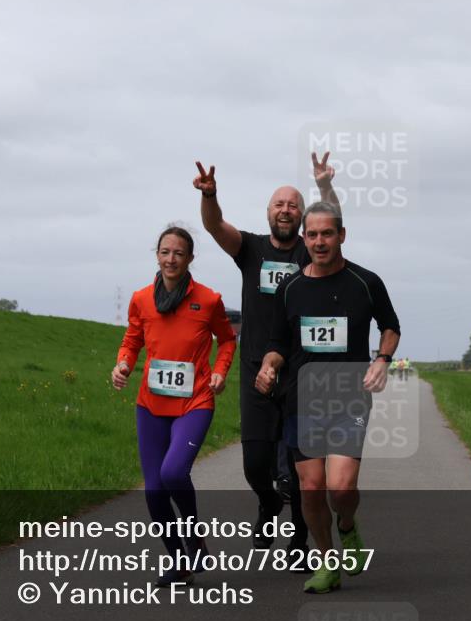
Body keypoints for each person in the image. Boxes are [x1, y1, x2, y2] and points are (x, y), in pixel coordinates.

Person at [194, 153, 338, 567]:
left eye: (294, 204)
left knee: (299, 463)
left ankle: (298, 542)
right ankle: (267, 502)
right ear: (269, 212)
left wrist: (325, 187)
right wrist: (211, 196)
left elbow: (332, 224)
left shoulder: (311, 253)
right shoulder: (251, 249)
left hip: (299, 372)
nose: (287, 210)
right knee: (256, 464)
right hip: (255, 369)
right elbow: (213, 226)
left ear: (302, 214)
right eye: (280, 204)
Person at [256, 201, 400, 594]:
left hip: (349, 397)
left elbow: (390, 326)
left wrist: (382, 359)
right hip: (302, 400)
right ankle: (326, 562)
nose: (320, 242)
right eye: (313, 235)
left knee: (340, 488)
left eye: (327, 234)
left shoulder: (365, 282)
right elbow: (277, 344)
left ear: (341, 236)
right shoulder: (290, 289)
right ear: (305, 239)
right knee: (312, 487)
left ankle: (348, 526)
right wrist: (269, 366)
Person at [111, 226, 237, 587]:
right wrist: (122, 364)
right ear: (157, 255)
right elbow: (132, 340)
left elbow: (227, 340)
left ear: (190, 258)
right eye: (165, 252)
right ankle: (179, 560)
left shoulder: (208, 300)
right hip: (150, 406)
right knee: (153, 490)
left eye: (178, 253)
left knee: (173, 474)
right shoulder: (141, 299)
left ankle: (194, 536)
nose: (171, 259)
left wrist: (219, 371)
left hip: (194, 402)